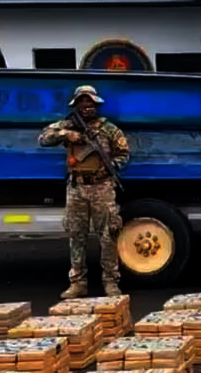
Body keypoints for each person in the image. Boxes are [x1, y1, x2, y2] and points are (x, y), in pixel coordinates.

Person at [37, 85, 131, 299]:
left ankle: (111, 282)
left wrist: (112, 165)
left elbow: (124, 153)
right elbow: (43, 139)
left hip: (102, 187)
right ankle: (78, 283)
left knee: (108, 235)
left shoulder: (108, 129)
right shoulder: (67, 125)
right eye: (83, 103)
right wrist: (66, 134)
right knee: (76, 236)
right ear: (76, 105)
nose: (87, 106)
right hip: (77, 188)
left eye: (90, 103)